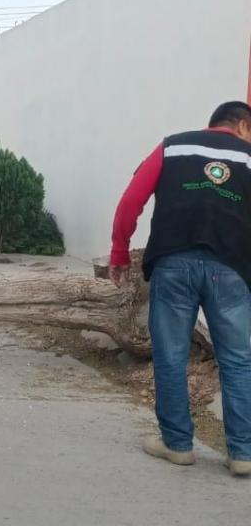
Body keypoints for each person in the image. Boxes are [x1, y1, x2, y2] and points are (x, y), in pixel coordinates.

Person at [110, 101, 251, 477]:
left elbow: (131, 201)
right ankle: (243, 452)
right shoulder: (249, 157)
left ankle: (177, 445)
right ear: (241, 125)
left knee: (171, 356)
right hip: (231, 269)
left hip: (173, 264)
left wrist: (119, 252)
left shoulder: (172, 147)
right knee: (238, 360)